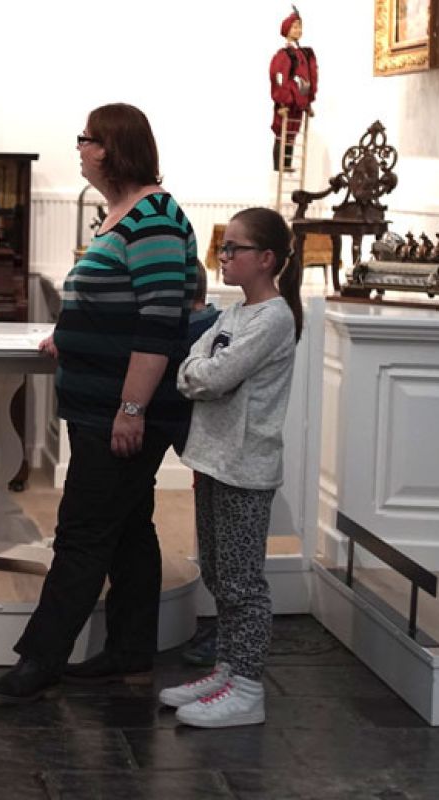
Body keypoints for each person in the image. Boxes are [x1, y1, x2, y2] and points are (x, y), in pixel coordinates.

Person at [0, 103, 201, 701]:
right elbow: (115, 298)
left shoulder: (154, 215)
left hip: (123, 409)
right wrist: (69, 332)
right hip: (97, 402)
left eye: (85, 139)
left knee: (80, 531)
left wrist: (131, 409)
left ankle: (41, 659)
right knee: (129, 526)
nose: (78, 148)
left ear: (110, 147)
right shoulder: (119, 215)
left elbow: (160, 320)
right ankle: (130, 654)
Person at [159, 206, 302, 728]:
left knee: (243, 582)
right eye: (223, 247)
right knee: (218, 573)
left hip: (244, 465)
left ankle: (247, 688)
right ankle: (227, 668)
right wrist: (201, 371)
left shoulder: (275, 317)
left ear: (266, 259)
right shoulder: (233, 314)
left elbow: (214, 377)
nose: (222, 256)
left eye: (234, 249)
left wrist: (202, 372)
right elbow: (195, 366)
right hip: (211, 457)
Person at [270, 6, 318, 171]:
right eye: (295, 26)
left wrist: (308, 103)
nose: (298, 30)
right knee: (282, 131)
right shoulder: (284, 55)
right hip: (288, 99)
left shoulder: (304, 54)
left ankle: (287, 163)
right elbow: (278, 76)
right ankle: (279, 164)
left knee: (293, 131)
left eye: (300, 27)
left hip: (299, 100)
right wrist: (282, 101)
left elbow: (309, 77)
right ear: (287, 29)